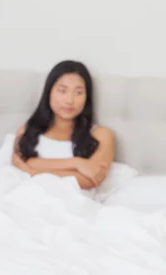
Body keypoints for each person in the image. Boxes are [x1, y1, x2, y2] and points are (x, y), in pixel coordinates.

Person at [12, 60, 114, 191]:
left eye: (78, 92)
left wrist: (33, 171)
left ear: (87, 97)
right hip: (29, 196)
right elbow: (18, 165)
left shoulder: (100, 134)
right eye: (62, 91)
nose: (69, 100)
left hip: (72, 203)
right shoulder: (28, 130)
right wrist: (77, 163)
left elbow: (90, 180)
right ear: (49, 92)